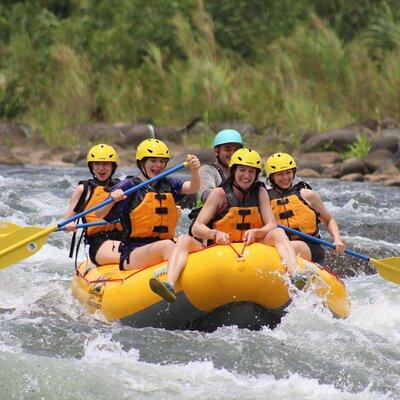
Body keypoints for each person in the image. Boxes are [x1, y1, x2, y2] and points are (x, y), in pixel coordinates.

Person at [149, 148, 301, 303]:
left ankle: (295, 275)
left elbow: (271, 225)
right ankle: (170, 284)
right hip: (217, 249)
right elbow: (197, 228)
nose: (246, 176)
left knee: (279, 234)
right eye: (242, 170)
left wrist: (258, 232)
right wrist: (214, 234)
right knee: (184, 240)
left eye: (251, 172)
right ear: (233, 171)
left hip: (252, 249)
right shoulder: (219, 194)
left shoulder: (260, 191)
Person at [96, 138, 201, 271]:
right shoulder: (129, 185)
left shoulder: (168, 184)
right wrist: (112, 200)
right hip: (134, 252)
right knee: (167, 246)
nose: (158, 165)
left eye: (162, 161)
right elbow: (99, 213)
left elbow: (193, 187)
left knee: (186, 242)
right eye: (153, 160)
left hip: (162, 245)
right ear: (142, 163)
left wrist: (194, 170)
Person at [266, 152, 346, 265]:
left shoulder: (306, 194)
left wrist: (337, 240)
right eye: (280, 174)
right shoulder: (265, 197)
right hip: (281, 244)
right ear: (272, 177)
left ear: (293, 173)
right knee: (277, 245)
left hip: (310, 247)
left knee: (286, 246)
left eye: (288, 173)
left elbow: (329, 220)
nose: (285, 177)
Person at [64, 144, 123, 266]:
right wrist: (69, 224)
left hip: (124, 238)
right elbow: (66, 221)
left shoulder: (122, 188)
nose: (101, 168)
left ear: (113, 166)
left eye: (106, 164)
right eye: (97, 164)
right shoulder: (84, 190)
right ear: (91, 166)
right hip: (99, 242)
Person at [188, 129, 244, 230]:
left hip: (236, 225)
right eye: (227, 149)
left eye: (236, 150)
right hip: (208, 226)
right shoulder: (207, 170)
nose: (233, 154)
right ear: (216, 151)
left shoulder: (246, 174)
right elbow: (207, 196)